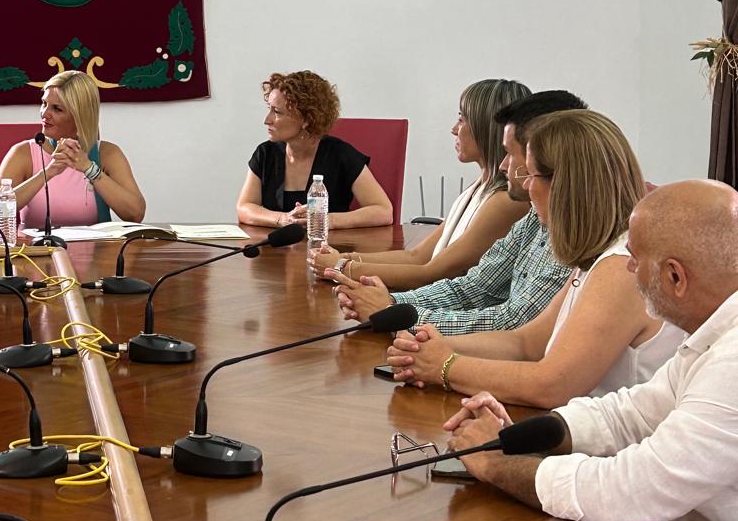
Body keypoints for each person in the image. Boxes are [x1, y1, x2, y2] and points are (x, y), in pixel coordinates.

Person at [444, 181, 738, 521]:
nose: (629, 269)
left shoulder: (731, 362)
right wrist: (517, 437)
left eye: (635, 259)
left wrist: (495, 465)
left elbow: (634, 490)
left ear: (675, 276)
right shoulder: (712, 335)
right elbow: (630, 416)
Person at [386, 110, 681, 403]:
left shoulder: (621, 267)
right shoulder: (598, 255)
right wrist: (432, 347)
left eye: (531, 174)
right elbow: (526, 343)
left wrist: (445, 366)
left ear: (565, 186)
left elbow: (551, 385)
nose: (526, 186)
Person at [335, 88, 586, 331]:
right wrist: (391, 303)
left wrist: (380, 300)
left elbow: (513, 325)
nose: (503, 164)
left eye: (511, 153)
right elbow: (474, 288)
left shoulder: (571, 230)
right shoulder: (531, 215)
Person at [310, 78, 531, 286]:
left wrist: (341, 267)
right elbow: (416, 256)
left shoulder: (505, 201)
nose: (454, 129)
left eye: (462, 119)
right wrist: (345, 258)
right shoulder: (479, 188)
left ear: (485, 129)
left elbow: (432, 273)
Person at [0, 70, 146, 229]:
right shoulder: (23, 153)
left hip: (95, 248)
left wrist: (89, 168)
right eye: (44, 103)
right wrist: (47, 173)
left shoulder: (108, 154)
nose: (45, 114)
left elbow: (135, 215)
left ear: (80, 115)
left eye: (57, 109)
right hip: (36, 248)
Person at [237, 71, 392, 232]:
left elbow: (383, 211)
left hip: (331, 246)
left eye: (277, 112)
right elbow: (244, 207)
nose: (266, 120)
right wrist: (283, 219)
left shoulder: (341, 154)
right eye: (269, 109)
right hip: (276, 247)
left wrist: (327, 220)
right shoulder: (265, 154)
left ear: (306, 119)